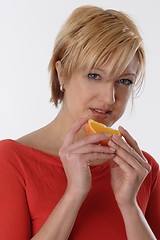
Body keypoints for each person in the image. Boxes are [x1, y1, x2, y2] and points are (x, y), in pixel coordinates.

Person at [0, 5, 159, 240]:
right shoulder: (11, 161)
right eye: (94, 75)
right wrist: (74, 194)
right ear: (61, 72)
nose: (109, 98)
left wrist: (129, 206)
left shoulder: (143, 170)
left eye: (124, 81)